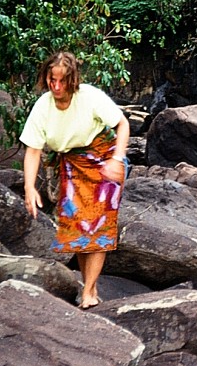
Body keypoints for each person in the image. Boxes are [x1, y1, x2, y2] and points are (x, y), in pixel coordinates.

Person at [20, 51, 129, 309]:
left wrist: (117, 159)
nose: (56, 87)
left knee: (98, 221)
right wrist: (28, 187)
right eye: (51, 80)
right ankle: (89, 285)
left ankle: (89, 290)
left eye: (62, 81)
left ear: (73, 80)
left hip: (104, 160)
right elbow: (33, 151)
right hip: (72, 163)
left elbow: (122, 124)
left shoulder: (89, 97)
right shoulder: (43, 107)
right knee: (78, 224)